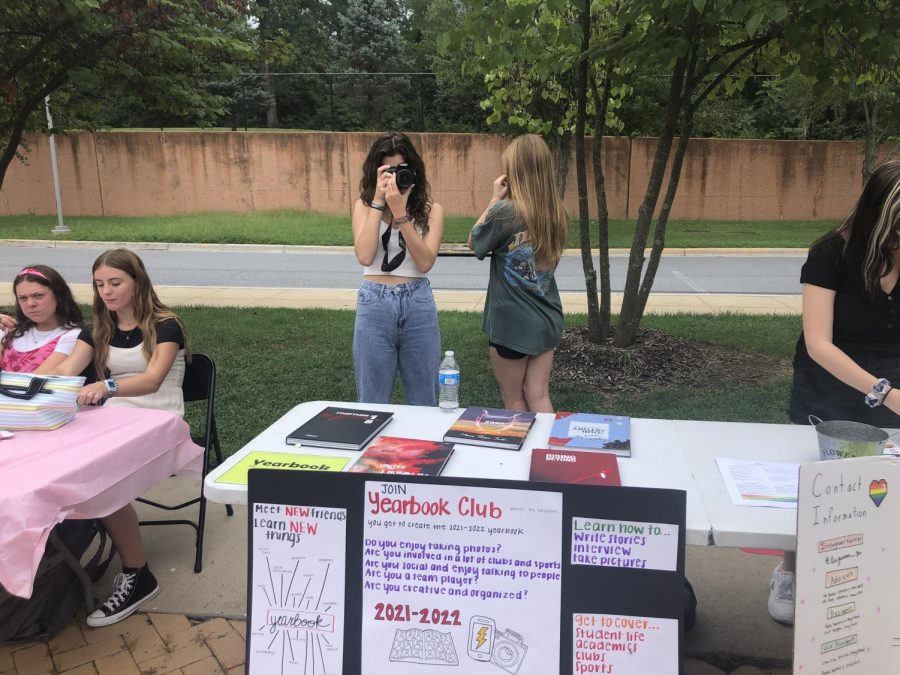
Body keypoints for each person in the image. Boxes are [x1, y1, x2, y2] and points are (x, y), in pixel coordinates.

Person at [773, 160, 900, 624]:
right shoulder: (829, 253)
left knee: (880, 492)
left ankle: (865, 579)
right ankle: (789, 571)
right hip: (828, 384)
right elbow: (818, 343)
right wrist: (886, 393)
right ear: (879, 216)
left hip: (891, 381)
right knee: (816, 488)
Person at [53, 248, 190, 627]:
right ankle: (64, 555)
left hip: (159, 420)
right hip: (114, 418)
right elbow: (66, 370)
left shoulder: (166, 325)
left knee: (99, 476)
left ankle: (138, 574)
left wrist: (105, 386)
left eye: (115, 282)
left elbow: (152, 380)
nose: (107, 292)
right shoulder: (98, 327)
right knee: (57, 455)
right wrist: (38, 388)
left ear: (137, 281)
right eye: (100, 284)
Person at [467, 134, 568, 413]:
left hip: (512, 323)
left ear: (514, 172)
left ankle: (522, 454)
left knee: (513, 399)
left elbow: (474, 243)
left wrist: (493, 199)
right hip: (547, 318)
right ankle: (546, 453)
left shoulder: (504, 212)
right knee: (538, 395)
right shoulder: (558, 213)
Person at [351, 131, 444, 405]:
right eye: (387, 171)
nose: (394, 177)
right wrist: (380, 203)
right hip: (374, 302)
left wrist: (402, 215)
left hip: (417, 302)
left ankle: (425, 447)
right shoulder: (364, 206)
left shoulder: (431, 210)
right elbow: (366, 256)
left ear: (413, 171)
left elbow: (425, 263)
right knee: (372, 400)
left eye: (400, 169)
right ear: (376, 172)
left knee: (424, 399)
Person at [0, 265, 82, 373]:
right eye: (23, 298)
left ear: (58, 296)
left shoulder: (73, 336)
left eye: (38, 295)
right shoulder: (10, 330)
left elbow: (35, 380)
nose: (30, 304)